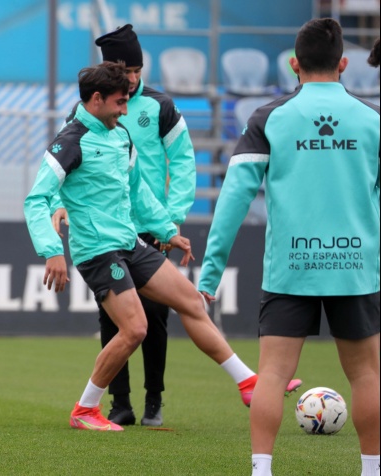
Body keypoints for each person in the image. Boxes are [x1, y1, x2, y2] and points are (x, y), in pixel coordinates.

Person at [23, 61, 300, 432]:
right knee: (135, 328)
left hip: (130, 242)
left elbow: (139, 192)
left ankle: (247, 382)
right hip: (98, 251)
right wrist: (52, 250)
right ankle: (85, 409)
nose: (125, 110)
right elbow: (36, 199)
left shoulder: (121, 135)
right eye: (120, 102)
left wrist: (168, 231)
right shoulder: (70, 142)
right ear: (96, 99)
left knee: (191, 301)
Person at [198, 18, 379, 476]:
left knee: (273, 374)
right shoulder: (373, 120)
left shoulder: (268, 118)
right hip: (354, 266)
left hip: (292, 264)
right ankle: (373, 470)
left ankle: (261, 470)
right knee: (366, 374)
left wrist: (210, 273)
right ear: (343, 64)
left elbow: (233, 199)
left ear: (294, 64)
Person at [51, 24, 196, 427]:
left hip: (150, 224)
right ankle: (119, 402)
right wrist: (61, 206)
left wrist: (172, 218)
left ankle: (154, 398)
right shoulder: (87, 110)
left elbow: (183, 161)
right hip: (105, 227)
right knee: (113, 318)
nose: (131, 79)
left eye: (136, 70)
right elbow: (64, 166)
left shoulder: (160, 106)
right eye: (124, 70)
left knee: (155, 314)